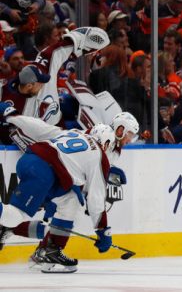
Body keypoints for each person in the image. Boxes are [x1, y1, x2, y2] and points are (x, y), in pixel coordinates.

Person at [0, 107, 118, 273]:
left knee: (71, 200)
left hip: (31, 161)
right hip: (43, 171)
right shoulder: (100, 156)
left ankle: (51, 251)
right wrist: (103, 230)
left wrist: (12, 117)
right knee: (14, 216)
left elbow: (40, 127)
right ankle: (9, 227)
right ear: (106, 143)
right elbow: (96, 199)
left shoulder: (73, 132)